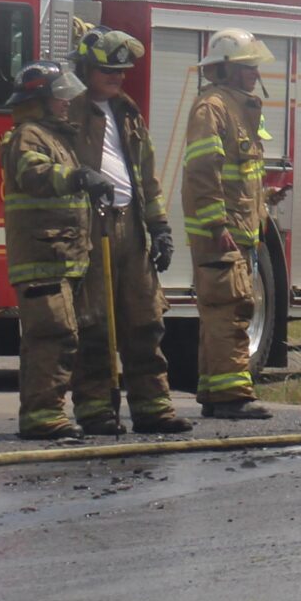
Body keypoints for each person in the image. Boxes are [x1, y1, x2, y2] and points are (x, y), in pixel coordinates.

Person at [66, 27, 192, 435]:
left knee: (144, 319)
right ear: (85, 69)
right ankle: (97, 411)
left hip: (130, 226)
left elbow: (147, 176)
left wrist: (159, 228)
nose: (117, 77)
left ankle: (153, 409)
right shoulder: (70, 110)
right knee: (96, 323)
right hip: (92, 227)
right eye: (108, 70)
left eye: (121, 71)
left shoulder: (127, 112)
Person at [0, 62, 114, 439]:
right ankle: (42, 416)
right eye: (58, 96)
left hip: (63, 256)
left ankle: (69, 412)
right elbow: (34, 174)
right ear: (39, 100)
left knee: (74, 333)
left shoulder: (57, 137)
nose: (66, 102)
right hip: (41, 258)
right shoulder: (28, 136)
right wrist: (79, 176)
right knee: (52, 334)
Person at [180, 28, 274, 420]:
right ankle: (233, 396)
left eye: (254, 65)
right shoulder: (213, 108)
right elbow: (203, 171)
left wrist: (262, 210)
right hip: (222, 230)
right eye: (246, 65)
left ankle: (215, 391)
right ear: (224, 69)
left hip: (240, 228)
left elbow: (243, 174)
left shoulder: (240, 108)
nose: (254, 72)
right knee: (231, 309)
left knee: (226, 309)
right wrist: (216, 225)